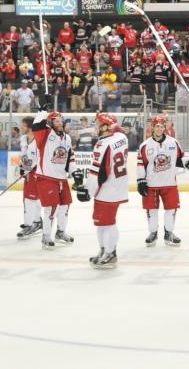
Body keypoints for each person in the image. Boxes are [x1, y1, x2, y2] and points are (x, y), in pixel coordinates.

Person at [76, 113, 129, 269]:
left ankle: (111, 253)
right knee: (102, 223)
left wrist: (88, 191)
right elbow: (119, 129)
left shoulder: (102, 145)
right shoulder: (122, 138)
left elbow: (98, 172)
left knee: (108, 223)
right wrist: (109, 122)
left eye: (98, 124)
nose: (95, 126)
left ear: (106, 127)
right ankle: (104, 250)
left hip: (107, 189)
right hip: (118, 186)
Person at [137, 115, 185, 246]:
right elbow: (141, 164)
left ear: (165, 127)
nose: (159, 129)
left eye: (161, 126)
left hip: (170, 183)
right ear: (152, 127)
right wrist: (140, 180)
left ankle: (169, 233)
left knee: (171, 210)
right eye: (157, 126)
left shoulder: (174, 143)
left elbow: (181, 158)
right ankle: (153, 233)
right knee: (151, 211)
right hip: (151, 184)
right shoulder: (144, 145)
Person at [32, 111, 75, 250]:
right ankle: (46, 236)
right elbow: (36, 126)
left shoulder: (67, 138)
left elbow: (70, 158)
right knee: (51, 208)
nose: (60, 123)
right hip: (47, 177)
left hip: (62, 178)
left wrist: (75, 172)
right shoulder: (45, 135)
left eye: (61, 120)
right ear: (50, 123)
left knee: (65, 206)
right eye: (57, 121)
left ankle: (61, 232)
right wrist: (43, 112)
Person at [16, 117, 43, 239]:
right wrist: (21, 166)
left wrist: (27, 169)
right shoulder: (22, 139)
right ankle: (37, 222)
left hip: (36, 173)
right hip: (28, 172)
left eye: (23, 125)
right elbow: (23, 155)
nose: (21, 127)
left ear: (30, 127)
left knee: (29, 199)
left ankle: (28, 225)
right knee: (32, 199)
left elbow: (38, 159)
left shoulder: (38, 140)